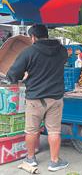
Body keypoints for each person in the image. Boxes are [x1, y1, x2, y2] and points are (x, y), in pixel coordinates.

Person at [6, 24, 69, 172]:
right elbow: (62, 61)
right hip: (55, 98)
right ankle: (54, 162)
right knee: (54, 131)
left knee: (31, 131)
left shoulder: (29, 52)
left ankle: (31, 159)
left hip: (35, 99)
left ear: (33, 37)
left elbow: (13, 74)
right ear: (46, 35)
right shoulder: (62, 50)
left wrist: (23, 76)